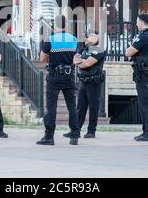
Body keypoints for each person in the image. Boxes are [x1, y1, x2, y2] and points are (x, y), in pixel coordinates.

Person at [36, 15, 80, 146]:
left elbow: (42, 59)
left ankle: (49, 137)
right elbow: (74, 57)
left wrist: (51, 54)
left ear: (55, 26)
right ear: (66, 25)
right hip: (69, 76)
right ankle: (75, 134)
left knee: (51, 107)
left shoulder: (50, 40)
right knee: (72, 106)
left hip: (55, 76)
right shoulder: (73, 39)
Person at [64, 30, 106, 139]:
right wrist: (80, 62)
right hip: (83, 81)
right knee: (80, 107)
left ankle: (91, 131)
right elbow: (75, 59)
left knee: (93, 107)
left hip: (94, 82)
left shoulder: (99, 50)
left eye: (91, 36)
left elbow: (87, 63)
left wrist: (80, 63)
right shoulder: (84, 49)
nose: (87, 39)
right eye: (87, 37)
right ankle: (75, 130)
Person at [125, 14, 148, 141]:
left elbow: (128, 52)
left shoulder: (144, 36)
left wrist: (131, 49)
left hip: (143, 74)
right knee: (146, 103)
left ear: (142, 22)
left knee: (145, 104)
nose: (136, 24)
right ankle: (146, 131)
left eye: (137, 21)